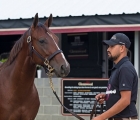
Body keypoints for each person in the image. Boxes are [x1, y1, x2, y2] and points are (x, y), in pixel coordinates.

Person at [93, 33, 138, 120]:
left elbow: (125, 100)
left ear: (122, 48)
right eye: (108, 46)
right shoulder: (118, 68)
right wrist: (107, 96)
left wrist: (101, 117)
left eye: (112, 46)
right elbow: (119, 93)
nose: (108, 49)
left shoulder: (125, 68)